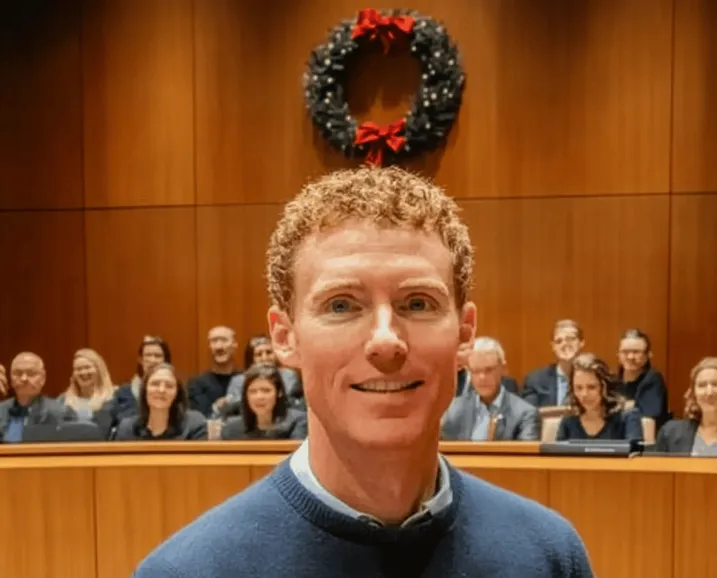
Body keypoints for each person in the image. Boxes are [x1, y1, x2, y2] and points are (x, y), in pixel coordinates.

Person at [132, 167, 593, 577]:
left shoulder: (549, 558)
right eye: (341, 305)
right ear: (285, 337)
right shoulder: (186, 571)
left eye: (418, 303)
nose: (385, 340)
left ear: (465, 333)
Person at [556, 353, 643, 442]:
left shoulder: (627, 416)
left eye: (591, 387)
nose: (584, 394)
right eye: (578, 388)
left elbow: (635, 453)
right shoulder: (569, 420)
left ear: (604, 387)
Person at [220, 364, 307, 440]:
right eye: (253, 391)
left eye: (266, 390)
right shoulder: (230, 430)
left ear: (279, 392)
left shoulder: (297, 422)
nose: (259, 397)